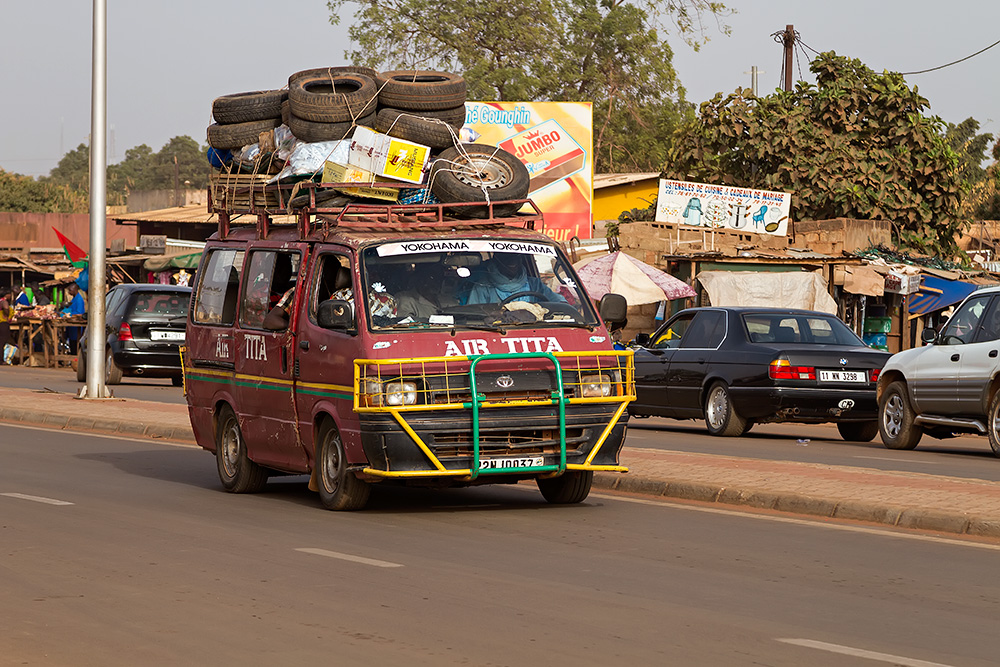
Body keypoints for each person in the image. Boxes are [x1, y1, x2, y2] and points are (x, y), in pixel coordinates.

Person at [465, 254, 564, 305]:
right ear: (497, 261)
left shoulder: (534, 284)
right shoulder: (483, 287)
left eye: (515, 257)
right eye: (506, 257)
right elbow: (474, 318)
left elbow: (558, 303)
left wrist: (566, 306)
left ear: (520, 259)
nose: (512, 261)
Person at [60, 283, 86, 354]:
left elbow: (79, 312)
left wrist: (70, 314)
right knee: (71, 342)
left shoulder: (79, 300)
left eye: (70, 290)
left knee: (75, 344)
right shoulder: (74, 299)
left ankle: (75, 359)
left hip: (76, 326)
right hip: (71, 326)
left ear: (75, 290)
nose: (69, 292)